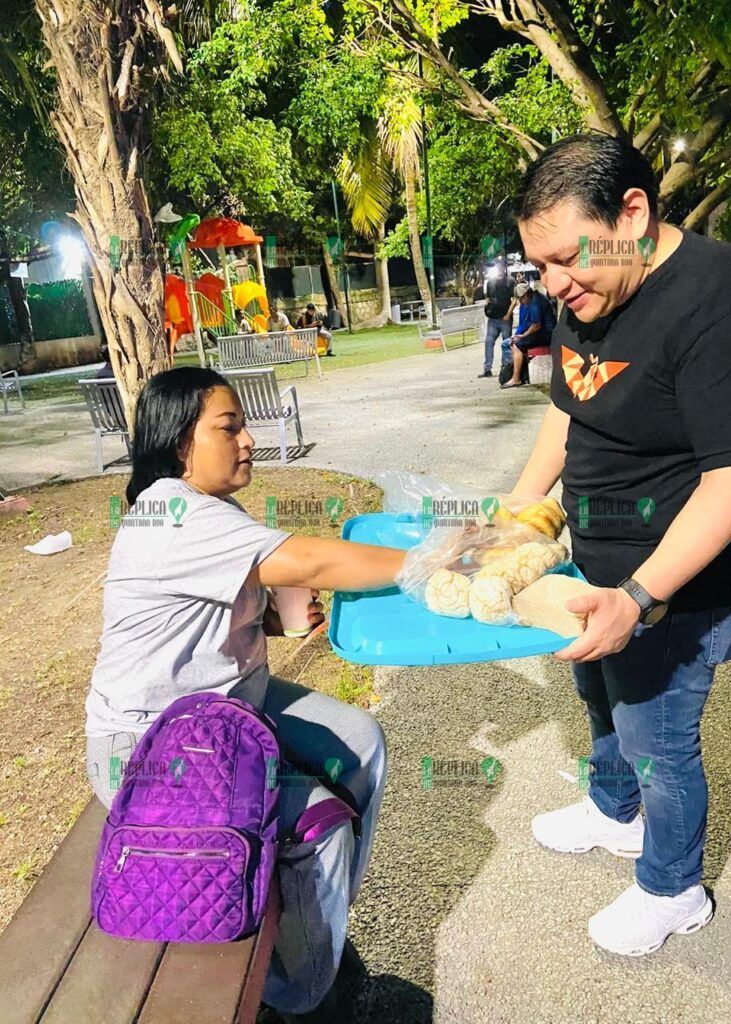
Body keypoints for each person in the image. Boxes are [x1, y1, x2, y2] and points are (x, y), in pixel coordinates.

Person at [508, 132, 731, 957]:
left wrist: (640, 597)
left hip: (679, 584)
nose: (554, 285)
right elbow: (569, 401)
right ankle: (612, 810)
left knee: (659, 736)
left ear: (632, 213)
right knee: (601, 693)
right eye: (539, 266)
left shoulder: (725, 298)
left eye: (565, 261)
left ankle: (674, 888)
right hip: (598, 564)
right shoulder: (583, 284)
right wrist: (518, 509)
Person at [84, 367, 406, 1017]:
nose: (250, 440)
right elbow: (312, 560)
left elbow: (234, 615)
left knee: (361, 741)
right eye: (229, 428)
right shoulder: (172, 514)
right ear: (180, 443)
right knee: (318, 825)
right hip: (153, 748)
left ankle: (320, 922)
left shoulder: (209, 509)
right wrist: (432, 564)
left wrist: (277, 621)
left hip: (229, 712)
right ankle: (301, 994)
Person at [500, 282, 555, 388]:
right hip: (544, 332)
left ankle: (516, 379)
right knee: (513, 342)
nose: (520, 302)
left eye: (521, 299)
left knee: (517, 344)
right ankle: (515, 373)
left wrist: (523, 335)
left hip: (547, 334)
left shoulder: (535, 302)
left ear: (526, 295)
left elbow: (536, 325)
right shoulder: (534, 299)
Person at [478, 259, 514, 378]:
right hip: (493, 318)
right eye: (497, 266)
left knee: (506, 342)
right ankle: (487, 368)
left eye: (501, 266)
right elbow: (488, 297)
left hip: (505, 318)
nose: (499, 268)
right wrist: (487, 308)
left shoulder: (510, 281)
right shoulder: (491, 282)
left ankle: (506, 367)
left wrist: (508, 314)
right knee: (489, 342)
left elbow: (515, 299)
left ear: (504, 267)